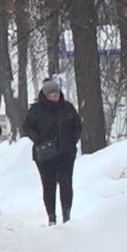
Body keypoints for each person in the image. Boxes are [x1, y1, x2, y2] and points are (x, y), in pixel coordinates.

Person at [23, 77, 82, 225]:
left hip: (66, 153)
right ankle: (51, 217)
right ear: (45, 95)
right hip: (45, 155)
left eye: (56, 94)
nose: (54, 97)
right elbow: (27, 127)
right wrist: (38, 140)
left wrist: (72, 141)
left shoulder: (67, 107)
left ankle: (66, 215)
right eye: (51, 95)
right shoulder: (36, 110)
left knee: (66, 184)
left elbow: (77, 126)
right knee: (48, 185)